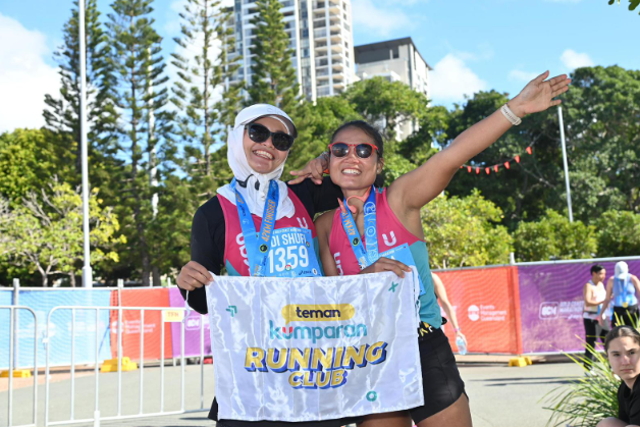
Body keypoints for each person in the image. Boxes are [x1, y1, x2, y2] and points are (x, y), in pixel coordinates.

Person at [314, 71, 570, 427]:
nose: (351, 157)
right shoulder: (324, 225)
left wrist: (516, 109)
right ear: (328, 161)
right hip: (368, 353)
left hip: (423, 346)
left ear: (379, 163)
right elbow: (332, 302)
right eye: (340, 150)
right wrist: (364, 278)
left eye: (364, 150)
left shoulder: (399, 199)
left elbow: (453, 155)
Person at [176, 104, 351, 427]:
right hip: (252, 376)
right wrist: (188, 283)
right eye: (258, 132)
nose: (268, 144)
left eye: (281, 140)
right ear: (237, 134)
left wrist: (327, 161)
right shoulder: (212, 213)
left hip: (315, 370)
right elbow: (202, 303)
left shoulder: (303, 194)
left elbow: (365, 178)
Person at [596, 325, 640, 427]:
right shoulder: (624, 389)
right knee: (607, 424)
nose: (625, 361)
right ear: (608, 358)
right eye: (616, 354)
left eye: (631, 352)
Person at [432, 272, 467, 351]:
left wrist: (457, 330)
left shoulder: (432, 278)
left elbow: (445, 303)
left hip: (431, 328)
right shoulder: (406, 277)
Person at [599, 262, 640, 328]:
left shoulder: (633, 278)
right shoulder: (611, 280)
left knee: (634, 333)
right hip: (618, 310)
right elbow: (607, 299)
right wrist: (601, 314)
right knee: (618, 333)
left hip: (632, 309)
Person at [583, 265, 608, 370]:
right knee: (591, 343)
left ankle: (612, 369)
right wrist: (602, 301)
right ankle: (588, 369)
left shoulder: (601, 285)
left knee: (608, 341)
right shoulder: (588, 286)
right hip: (591, 318)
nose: (603, 276)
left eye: (604, 274)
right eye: (601, 274)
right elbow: (588, 302)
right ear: (594, 273)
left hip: (602, 317)